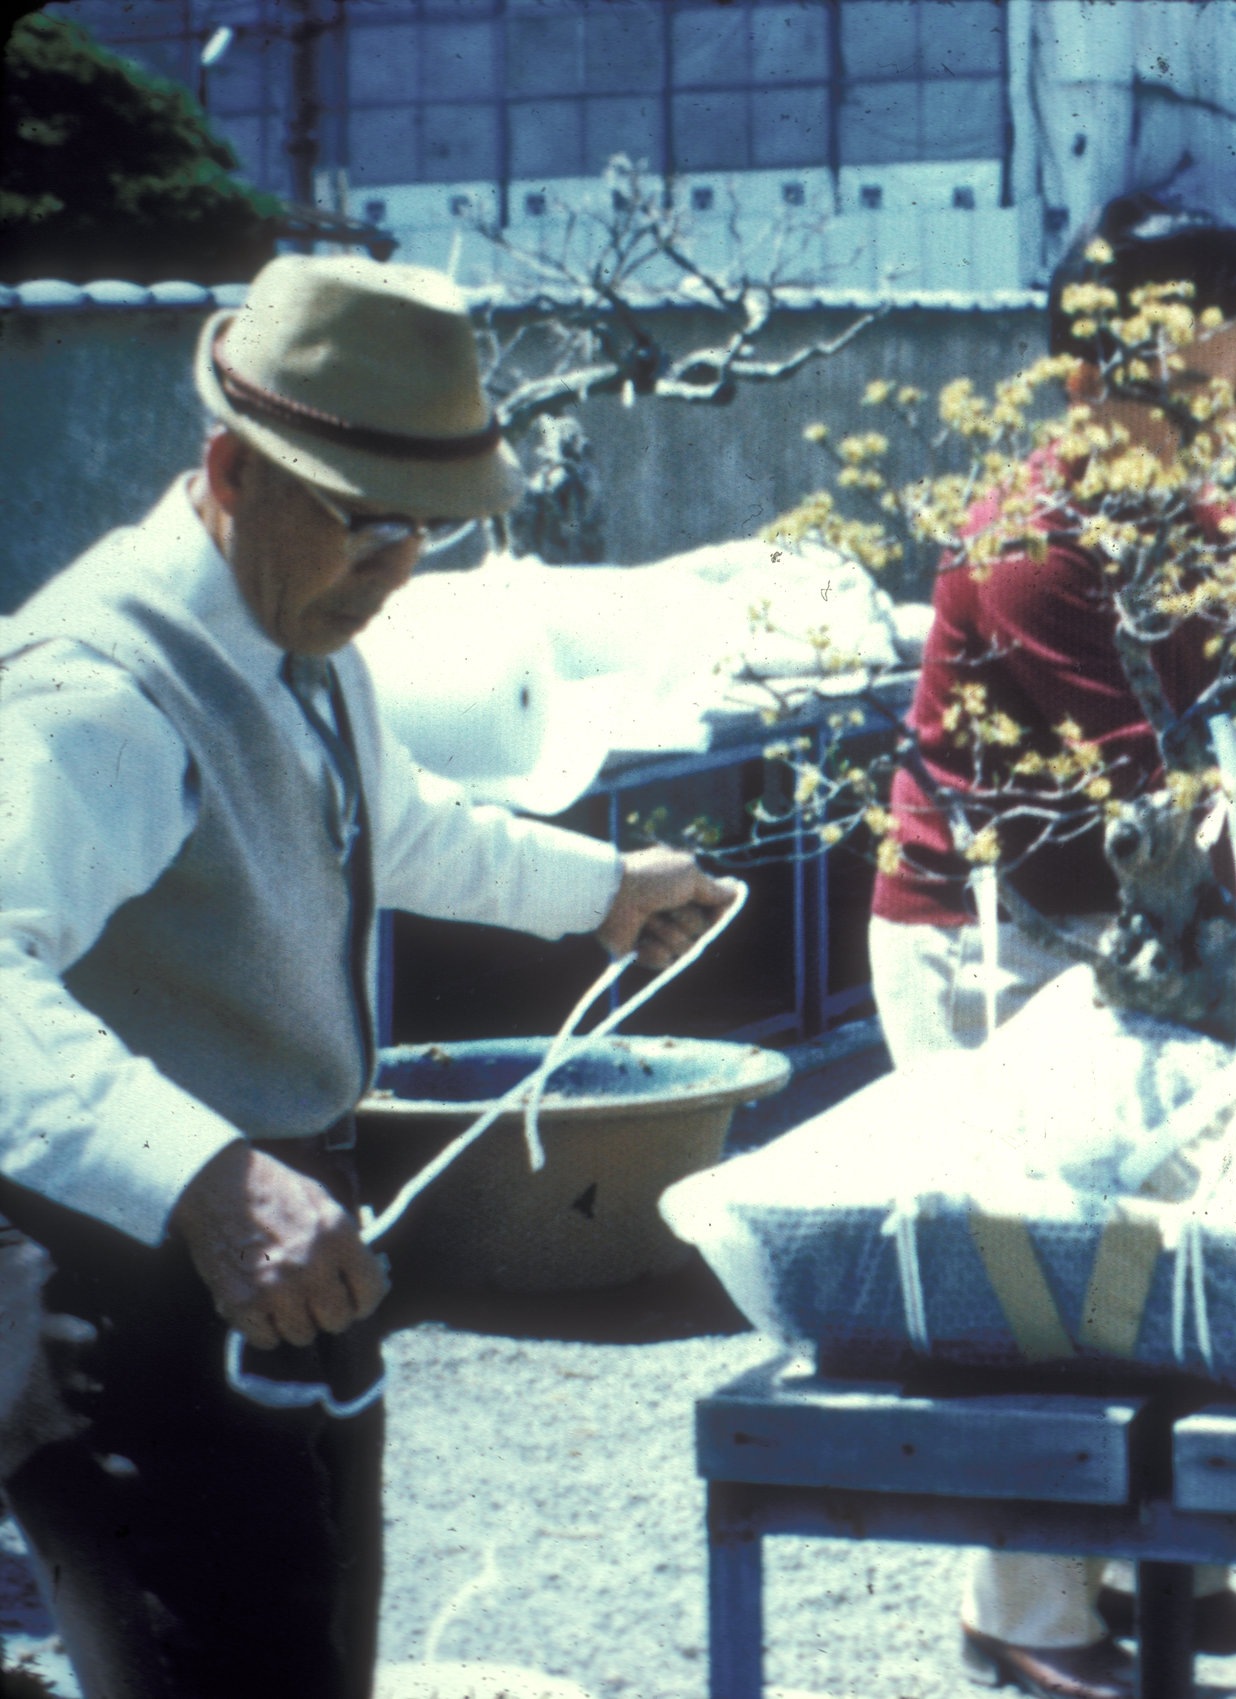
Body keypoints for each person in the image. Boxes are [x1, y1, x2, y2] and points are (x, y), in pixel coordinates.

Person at [0, 253, 732, 1699]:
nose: (397, 572)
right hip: (131, 1276)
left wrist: (599, 892)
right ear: (232, 466)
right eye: (365, 525)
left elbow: (389, 822)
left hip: (288, 1248)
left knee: (311, 1650)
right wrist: (207, 1174)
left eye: (429, 535)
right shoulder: (96, 689)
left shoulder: (299, 626)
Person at [867, 196, 1236, 1699]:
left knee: (1155, 1247)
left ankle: (1157, 1569)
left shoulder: (1183, 507)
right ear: (1133, 355)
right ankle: (1027, 1607)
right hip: (991, 936)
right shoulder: (1039, 534)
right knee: (1037, 1273)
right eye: (1223, 332)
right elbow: (1115, 800)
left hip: (1121, 922)